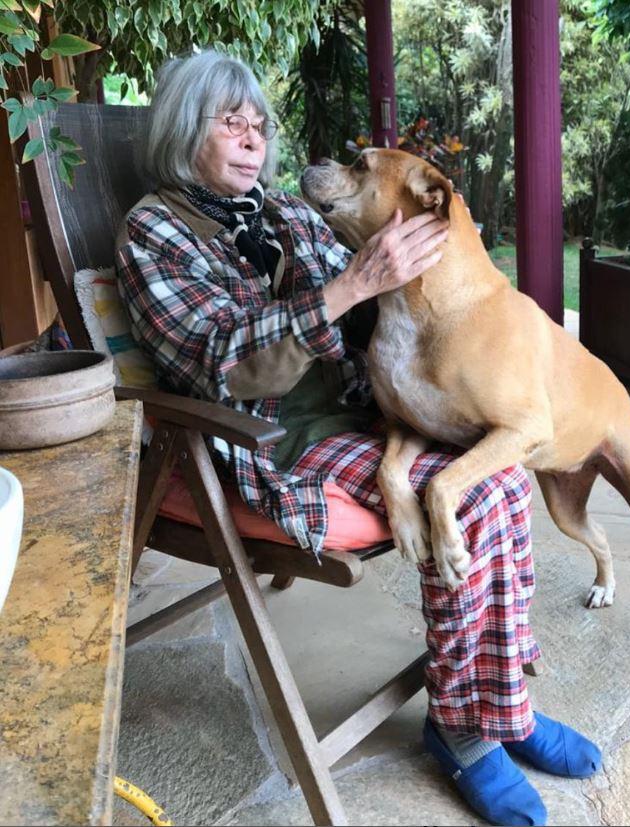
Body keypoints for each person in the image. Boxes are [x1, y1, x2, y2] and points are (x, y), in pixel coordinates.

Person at [115, 50, 601, 827]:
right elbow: (219, 362)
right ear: (180, 129)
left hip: (358, 406)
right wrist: (350, 286)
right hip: (266, 435)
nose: (254, 137)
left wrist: (447, 283)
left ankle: (502, 702)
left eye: (258, 123)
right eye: (230, 122)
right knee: (476, 499)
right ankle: (463, 727)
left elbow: (383, 307)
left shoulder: (285, 213)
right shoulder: (154, 232)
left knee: (502, 475)